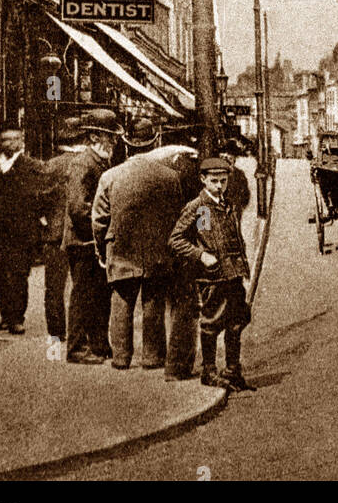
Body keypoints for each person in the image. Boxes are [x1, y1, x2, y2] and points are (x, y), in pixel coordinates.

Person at [91, 138, 185, 371]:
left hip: (121, 248)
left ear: (127, 145)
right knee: (153, 301)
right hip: (158, 249)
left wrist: (101, 249)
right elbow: (178, 215)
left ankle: (121, 357)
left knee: (121, 301)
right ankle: (152, 356)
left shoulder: (110, 176)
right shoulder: (170, 177)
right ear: (154, 143)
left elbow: (99, 219)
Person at [169, 157, 255, 391]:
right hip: (213, 277)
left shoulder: (228, 204)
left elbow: (231, 236)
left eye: (223, 181)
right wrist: (201, 255)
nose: (219, 186)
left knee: (236, 322)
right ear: (203, 179)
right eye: (214, 181)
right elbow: (176, 239)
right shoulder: (199, 206)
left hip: (233, 273)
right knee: (211, 323)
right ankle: (209, 371)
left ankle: (233, 371)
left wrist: (243, 266)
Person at [63, 110, 119, 364]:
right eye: (110, 136)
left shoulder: (100, 162)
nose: (114, 141)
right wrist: (99, 230)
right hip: (83, 241)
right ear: (94, 136)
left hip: (92, 241)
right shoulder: (83, 164)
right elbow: (78, 208)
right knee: (83, 295)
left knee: (99, 295)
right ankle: (76, 348)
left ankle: (98, 343)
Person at [0, 128, 44, 336]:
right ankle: (6, 315)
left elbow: (38, 198)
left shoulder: (31, 166)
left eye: (14, 139)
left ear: (21, 141)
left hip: (22, 231)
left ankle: (17, 317)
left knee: (19, 274)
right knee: (0, 274)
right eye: (5, 139)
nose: (10, 143)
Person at [38, 118, 85, 344]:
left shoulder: (51, 165)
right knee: (82, 286)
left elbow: (39, 198)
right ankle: (81, 334)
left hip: (54, 233)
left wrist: (45, 220)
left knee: (54, 288)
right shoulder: (87, 162)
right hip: (81, 232)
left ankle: (56, 334)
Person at [220, 142, 251, 223]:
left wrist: (238, 206)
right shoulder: (218, 175)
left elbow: (245, 194)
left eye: (230, 158)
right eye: (224, 158)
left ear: (234, 160)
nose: (228, 161)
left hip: (235, 211)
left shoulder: (239, 174)